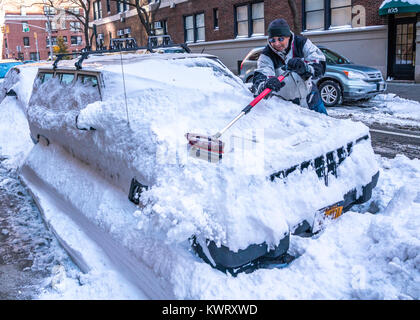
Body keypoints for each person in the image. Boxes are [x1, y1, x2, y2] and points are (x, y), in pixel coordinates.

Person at [252, 18, 328, 115]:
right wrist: (266, 84)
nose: (276, 43)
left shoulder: (302, 43)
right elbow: (261, 77)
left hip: (312, 100)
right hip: (290, 109)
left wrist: (305, 68)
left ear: (288, 36)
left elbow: (320, 65)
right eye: (272, 40)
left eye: (280, 39)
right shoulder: (267, 55)